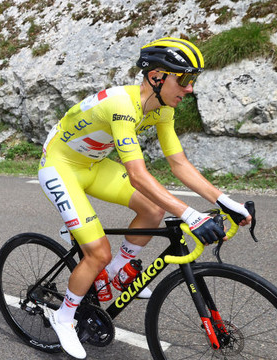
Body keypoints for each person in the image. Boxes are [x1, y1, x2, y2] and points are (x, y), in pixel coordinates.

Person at [37, 37, 253, 359]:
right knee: (97, 253)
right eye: (184, 79)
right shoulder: (122, 106)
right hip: (60, 166)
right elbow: (138, 174)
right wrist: (190, 215)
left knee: (152, 209)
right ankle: (64, 317)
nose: (189, 88)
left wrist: (225, 201)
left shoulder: (162, 109)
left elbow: (178, 164)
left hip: (93, 165)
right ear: (157, 77)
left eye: (191, 80)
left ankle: (117, 271)